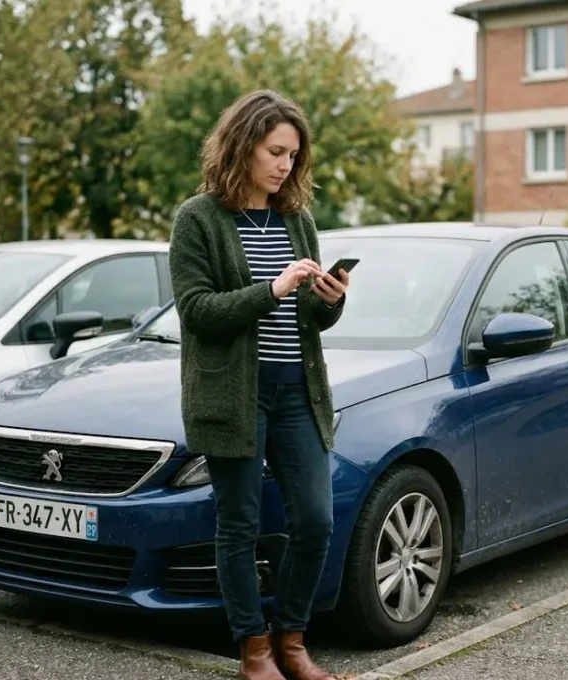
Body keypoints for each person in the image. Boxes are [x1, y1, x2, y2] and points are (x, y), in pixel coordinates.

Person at [168, 90, 349, 680]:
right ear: (243, 145)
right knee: (239, 525)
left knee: (316, 520)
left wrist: (330, 301)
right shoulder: (197, 219)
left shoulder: (297, 220)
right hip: (233, 398)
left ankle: (292, 640)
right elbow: (197, 312)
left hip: (298, 391)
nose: (285, 166)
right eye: (275, 151)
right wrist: (271, 289)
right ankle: (253, 651)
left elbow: (309, 322)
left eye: (294, 156)